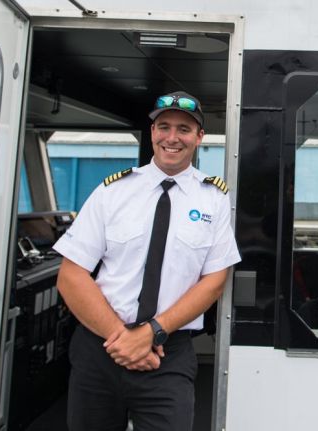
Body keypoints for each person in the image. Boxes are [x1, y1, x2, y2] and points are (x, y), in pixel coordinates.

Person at [53, 91, 240, 431]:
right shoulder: (113, 192)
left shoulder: (214, 200)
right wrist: (124, 339)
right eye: (163, 126)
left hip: (168, 354)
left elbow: (214, 281)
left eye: (184, 129)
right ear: (152, 132)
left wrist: (152, 332)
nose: (172, 137)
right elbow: (71, 275)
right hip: (101, 349)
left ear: (199, 137)